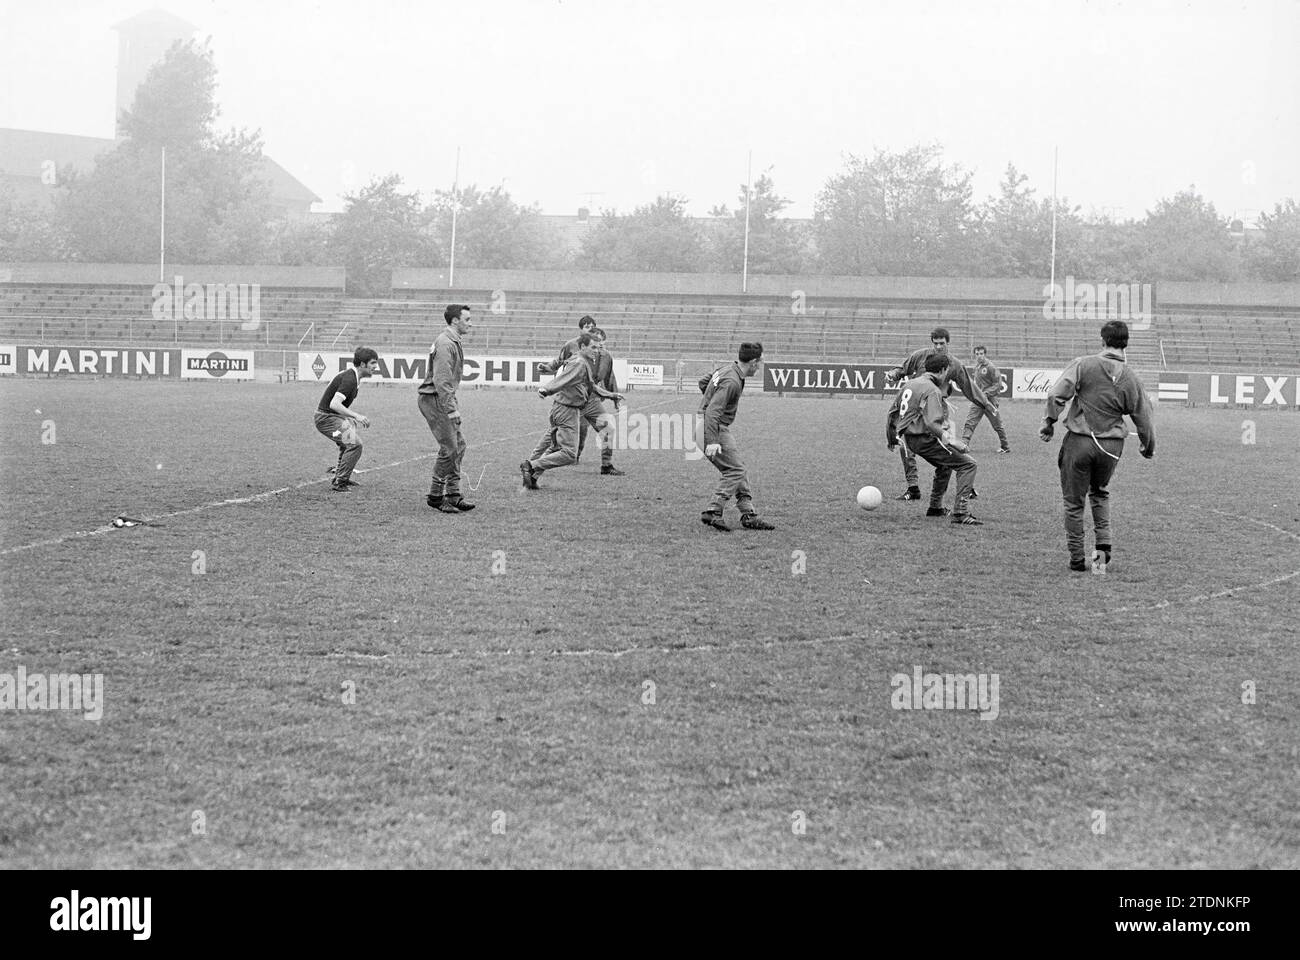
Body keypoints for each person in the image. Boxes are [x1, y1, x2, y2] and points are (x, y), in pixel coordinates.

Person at [1040, 320, 1155, 572]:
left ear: (1102, 340)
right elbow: (1144, 416)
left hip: (1080, 443)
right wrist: (1148, 445)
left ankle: (1077, 559)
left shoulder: (1083, 364)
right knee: (1100, 493)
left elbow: (1055, 395)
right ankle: (1100, 563)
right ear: (1126, 344)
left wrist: (1049, 422)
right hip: (1111, 447)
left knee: (1074, 502)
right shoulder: (1131, 377)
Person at [884, 327, 996, 501]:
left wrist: (986, 404)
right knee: (906, 447)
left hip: (937, 408)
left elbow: (968, 386)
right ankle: (913, 488)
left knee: (947, 446)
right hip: (915, 411)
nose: (938, 347)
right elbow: (902, 369)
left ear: (947, 343)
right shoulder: (920, 356)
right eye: (935, 343)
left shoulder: (954, 364)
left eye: (941, 343)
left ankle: (967, 483)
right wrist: (893, 374)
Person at [889, 353, 982, 525]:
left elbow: (893, 411)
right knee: (968, 465)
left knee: (945, 465)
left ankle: (935, 508)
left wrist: (892, 437)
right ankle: (960, 513)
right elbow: (932, 423)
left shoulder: (911, 383)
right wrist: (953, 441)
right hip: (925, 438)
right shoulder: (932, 390)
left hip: (910, 440)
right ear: (943, 370)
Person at [520, 333, 623, 489]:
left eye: (598, 347)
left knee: (555, 447)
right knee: (569, 454)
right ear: (582, 347)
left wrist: (611, 395)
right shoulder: (580, 363)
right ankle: (530, 465)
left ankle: (532, 478)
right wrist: (546, 390)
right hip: (567, 410)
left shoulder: (579, 360)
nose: (596, 350)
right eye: (593, 347)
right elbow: (563, 380)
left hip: (562, 408)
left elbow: (591, 385)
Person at [699, 342, 775, 532]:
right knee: (734, 471)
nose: (760, 366)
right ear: (754, 362)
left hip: (712, 427)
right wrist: (713, 441)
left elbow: (703, 382)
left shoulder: (728, 369)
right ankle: (713, 510)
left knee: (738, 469)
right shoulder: (732, 381)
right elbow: (712, 413)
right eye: (761, 362)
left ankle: (748, 514)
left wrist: (712, 397)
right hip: (714, 428)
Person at [416, 304, 475, 513]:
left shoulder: (452, 341)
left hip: (442, 398)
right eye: (467, 319)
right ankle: (435, 495)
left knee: (459, 445)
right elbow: (441, 381)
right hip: (435, 399)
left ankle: (453, 494)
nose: (470, 323)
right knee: (450, 447)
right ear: (455, 321)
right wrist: (452, 408)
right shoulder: (445, 343)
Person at [315, 346, 380, 492]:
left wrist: (346, 417)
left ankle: (340, 477)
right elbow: (334, 404)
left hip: (331, 417)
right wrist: (356, 415)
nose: (376, 367)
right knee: (354, 444)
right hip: (326, 419)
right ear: (362, 364)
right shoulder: (350, 379)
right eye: (373, 363)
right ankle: (340, 482)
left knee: (347, 443)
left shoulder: (353, 377)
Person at [961, 345, 1011, 453]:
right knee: (970, 422)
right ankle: (964, 445)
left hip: (990, 401)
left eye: (981, 354)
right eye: (977, 354)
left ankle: (1005, 446)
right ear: (974, 355)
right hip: (978, 401)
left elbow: (998, 385)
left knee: (997, 425)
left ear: (985, 354)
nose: (979, 356)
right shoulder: (977, 367)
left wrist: (985, 394)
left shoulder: (991, 367)